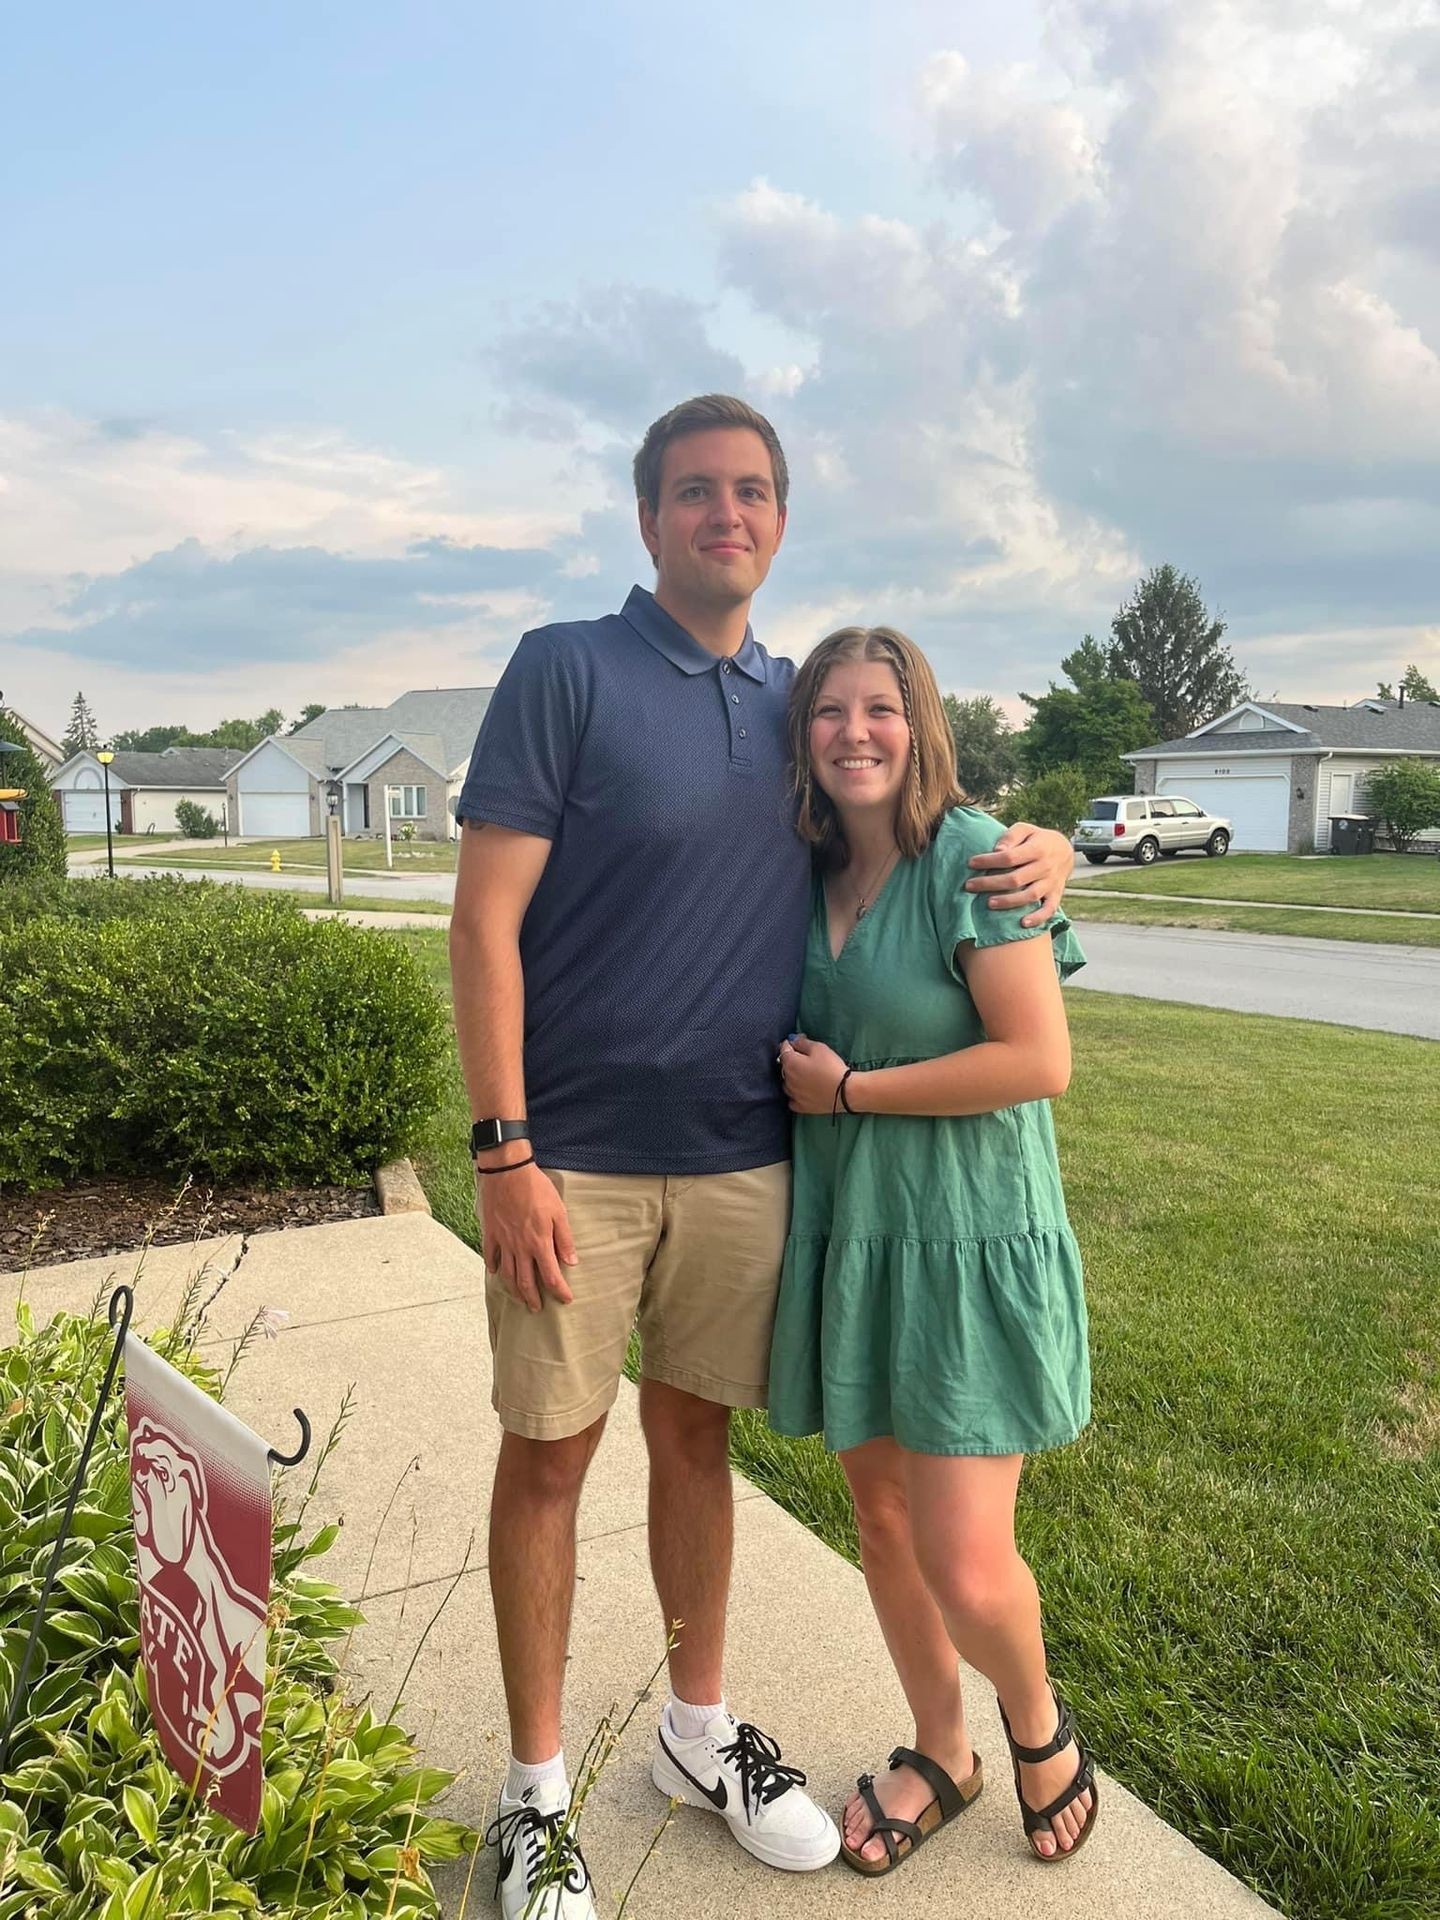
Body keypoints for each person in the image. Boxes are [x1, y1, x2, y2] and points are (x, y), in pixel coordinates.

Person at [449, 395, 1077, 1918]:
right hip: (576, 1157)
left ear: (781, 520)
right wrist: (503, 1149)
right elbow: (482, 922)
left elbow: (930, 860)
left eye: (749, 491)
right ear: (648, 514)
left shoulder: (805, 709)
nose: (722, 513)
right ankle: (535, 1801)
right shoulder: (567, 670)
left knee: (696, 1448)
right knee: (548, 1455)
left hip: (748, 1161)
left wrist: (1054, 870)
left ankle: (696, 1731)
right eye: (691, 491)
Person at [770, 624, 1098, 1878]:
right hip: (858, 1238)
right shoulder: (801, 872)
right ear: (804, 738)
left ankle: (1038, 1724)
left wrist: (851, 1094)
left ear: (922, 729)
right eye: (830, 711)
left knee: (965, 1556)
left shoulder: (974, 859)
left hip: (965, 1241)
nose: (855, 732)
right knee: (883, 1519)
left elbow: (1037, 1061)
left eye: (881, 708)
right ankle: (941, 1749)